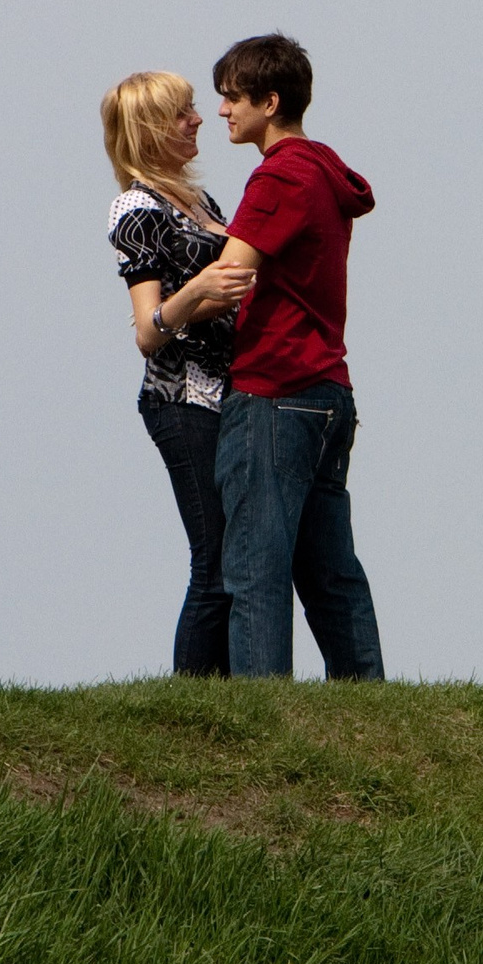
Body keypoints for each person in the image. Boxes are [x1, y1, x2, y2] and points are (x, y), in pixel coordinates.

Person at [207, 33, 386, 679]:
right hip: (327, 389)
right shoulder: (323, 170)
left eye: (233, 97)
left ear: (270, 101)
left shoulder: (278, 175)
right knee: (332, 570)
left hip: (273, 389)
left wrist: (164, 314)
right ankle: (373, 705)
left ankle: (263, 717)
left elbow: (232, 275)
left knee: (256, 566)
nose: (223, 109)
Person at [101, 72, 258, 676]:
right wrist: (197, 291)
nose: (199, 119)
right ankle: (192, 703)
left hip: (229, 394)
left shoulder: (201, 203)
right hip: (181, 396)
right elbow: (147, 330)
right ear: (148, 132)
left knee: (234, 560)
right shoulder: (136, 209)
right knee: (214, 560)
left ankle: (225, 697)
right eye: (182, 114)